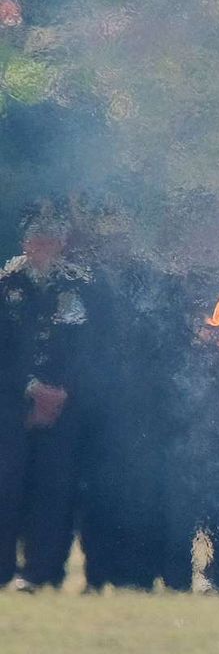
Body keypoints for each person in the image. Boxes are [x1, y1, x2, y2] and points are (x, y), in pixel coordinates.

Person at [0, 209, 90, 591]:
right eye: (38, 237)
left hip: (62, 408)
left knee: (54, 491)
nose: (45, 245)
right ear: (25, 242)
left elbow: (87, 347)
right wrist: (30, 388)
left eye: (52, 238)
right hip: (11, 405)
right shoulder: (6, 286)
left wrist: (61, 390)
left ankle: (43, 571)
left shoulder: (78, 286)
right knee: (7, 487)